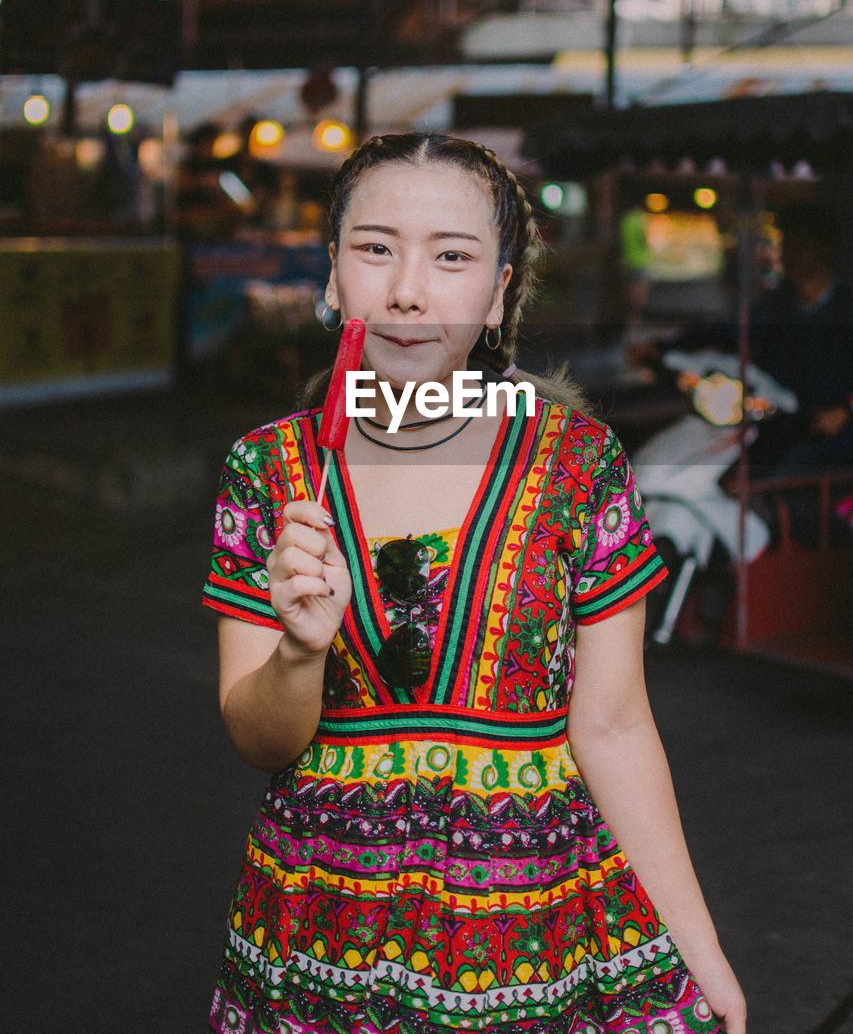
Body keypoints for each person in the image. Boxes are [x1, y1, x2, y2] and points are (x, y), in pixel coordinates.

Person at [204, 133, 746, 1034]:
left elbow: (612, 726)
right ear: (332, 275)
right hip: (319, 928)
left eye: (451, 257)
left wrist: (697, 943)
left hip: (538, 930)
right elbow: (260, 742)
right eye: (374, 248)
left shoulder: (578, 463)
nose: (408, 290)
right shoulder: (269, 472)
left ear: (497, 293)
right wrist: (301, 651)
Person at [749, 198, 853, 481]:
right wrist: (665, 347)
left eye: (800, 244)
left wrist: (844, 411)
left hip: (838, 440)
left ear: (824, 249)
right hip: (784, 427)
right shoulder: (776, 306)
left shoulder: (846, 305)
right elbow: (730, 333)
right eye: (786, 244)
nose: (790, 253)